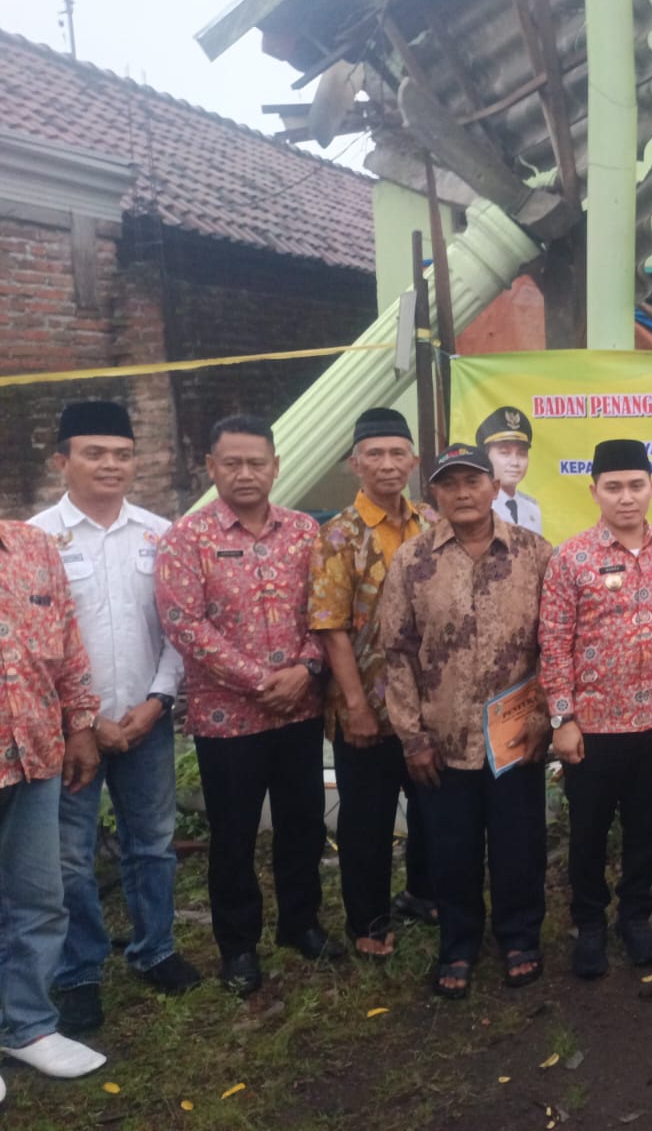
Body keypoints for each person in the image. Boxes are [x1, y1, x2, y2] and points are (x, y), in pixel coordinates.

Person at [156, 415, 342, 996]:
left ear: (275, 467)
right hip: (227, 719)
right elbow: (184, 625)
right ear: (210, 467)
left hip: (299, 710)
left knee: (302, 822)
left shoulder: (305, 532)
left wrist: (306, 668)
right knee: (233, 836)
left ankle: (300, 923)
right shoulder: (187, 539)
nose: (245, 473)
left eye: (256, 463)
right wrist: (262, 680)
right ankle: (238, 946)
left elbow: (327, 610)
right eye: (232, 463)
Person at [28, 402, 197, 1037]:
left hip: (148, 721)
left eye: (122, 455)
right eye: (94, 453)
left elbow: (179, 628)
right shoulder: (34, 540)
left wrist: (157, 702)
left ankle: (155, 948)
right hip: (71, 733)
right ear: (61, 461)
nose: (110, 465)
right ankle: (79, 972)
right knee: (69, 857)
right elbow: (29, 642)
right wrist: (85, 721)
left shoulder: (160, 534)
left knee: (151, 842)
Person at [380, 444, 554, 998]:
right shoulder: (412, 561)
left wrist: (546, 716)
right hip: (444, 739)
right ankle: (457, 944)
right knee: (451, 850)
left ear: (493, 488)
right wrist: (412, 737)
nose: (462, 493)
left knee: (518, 845)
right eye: (449, 483)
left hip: (516, 736)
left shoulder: (535, 554)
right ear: (433, 493)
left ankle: (519, 937)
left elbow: (556, 643)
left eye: (472, 481)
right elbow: (397, 653)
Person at [540, 439, 652, 978]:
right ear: (594, 491)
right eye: (614, 487)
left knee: (646, 829)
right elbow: (554, 643)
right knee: (588, 832)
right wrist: (563, 719)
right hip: (593, 728)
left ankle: (635, 917)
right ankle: (589, 924)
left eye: (636, 485)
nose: (626, 497)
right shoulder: (571, 558)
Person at [307, 408, 438, 961]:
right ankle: (369, 920)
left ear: (413, 461)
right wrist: (357, 705)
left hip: (429, 703)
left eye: (397, 453)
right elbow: (331, 627)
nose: (387, 464)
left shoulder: (431, 522)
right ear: (355, 463)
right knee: (368, 818)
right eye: (375, 454)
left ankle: (423, 895)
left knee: (432, 806)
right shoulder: (339, 535)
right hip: (367, 705)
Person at [0, 519, 106, 1093]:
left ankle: (28, 1025)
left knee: (38, 899)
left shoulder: (35, 546)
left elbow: (67, 641)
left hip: (34, 754)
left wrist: (81, 725)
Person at [476, 406, 543, 534]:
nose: (515, 462)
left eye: (521, 454)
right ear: (486, 456)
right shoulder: (478, 506)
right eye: (505, 453)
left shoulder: (532, 508)